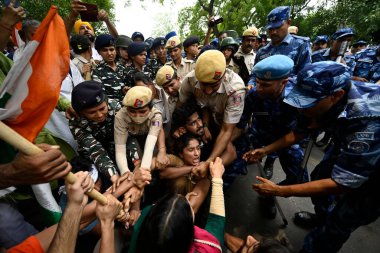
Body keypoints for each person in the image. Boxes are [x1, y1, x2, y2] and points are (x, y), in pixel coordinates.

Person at [251, 61, 380, 253]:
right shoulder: (314, 91)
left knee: (340, 221)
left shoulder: (367, 121)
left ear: (336, 96)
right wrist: (266, 150)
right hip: (345, 143)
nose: (301, 109)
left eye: (308, 103)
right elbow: (299, 132)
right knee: (320, 175)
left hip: (374, 169)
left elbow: (342, 183)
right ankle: (322, 216)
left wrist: (281, 190)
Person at [240, 55, 307, 218]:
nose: (259, 88)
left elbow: (299, 133)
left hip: (287, 140)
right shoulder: (254, 94)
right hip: (260, 134)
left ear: (283, 82)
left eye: (266, 85)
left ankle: (271, 193)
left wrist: (266, 150)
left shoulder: (298, 99)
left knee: (299, 179)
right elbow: (241, 124)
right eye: (257, 82)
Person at [128, 156, 226, 253]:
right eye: (189, 208)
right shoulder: (207, 248)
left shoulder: (144, 222)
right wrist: (217, 178)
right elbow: (216, 221)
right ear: (188, 232)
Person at [179, 50, 246, 180]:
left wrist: (209, 162)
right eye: (204, 85)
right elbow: (180, 108)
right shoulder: (189, 81)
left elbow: (227, 130)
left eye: (214, 85)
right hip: (208, 119)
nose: (208, 91)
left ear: (224, 75)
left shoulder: (236, 89)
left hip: (229, 124)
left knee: (230, 157)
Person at [69, 81, 121, 186]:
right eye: (92, 112)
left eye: (102, 109)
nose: (99, 115)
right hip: (94, 158)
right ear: (81, 113)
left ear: (106, 102)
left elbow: (127, 138)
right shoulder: (76, 123)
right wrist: (114, 176)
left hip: (119, 149)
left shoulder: (116, 108)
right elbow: (95, 150)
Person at [248, 6, 311, 87]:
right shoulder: (262, 51)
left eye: (277, 27)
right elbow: (254, 75)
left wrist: (278, 85)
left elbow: (306, 76)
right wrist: (251, 84)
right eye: (270, 29)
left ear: (288, 22)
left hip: (287, 97)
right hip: (262, 97)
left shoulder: (301, 45)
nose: (273, 32)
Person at [92, 34, 128, 101]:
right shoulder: (97, 72)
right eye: (104, 50)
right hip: (112, 110)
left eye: (111, 49)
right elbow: (101, 96)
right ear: (99, 52)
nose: (109, 53)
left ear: (116, 51)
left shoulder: (123, 68)